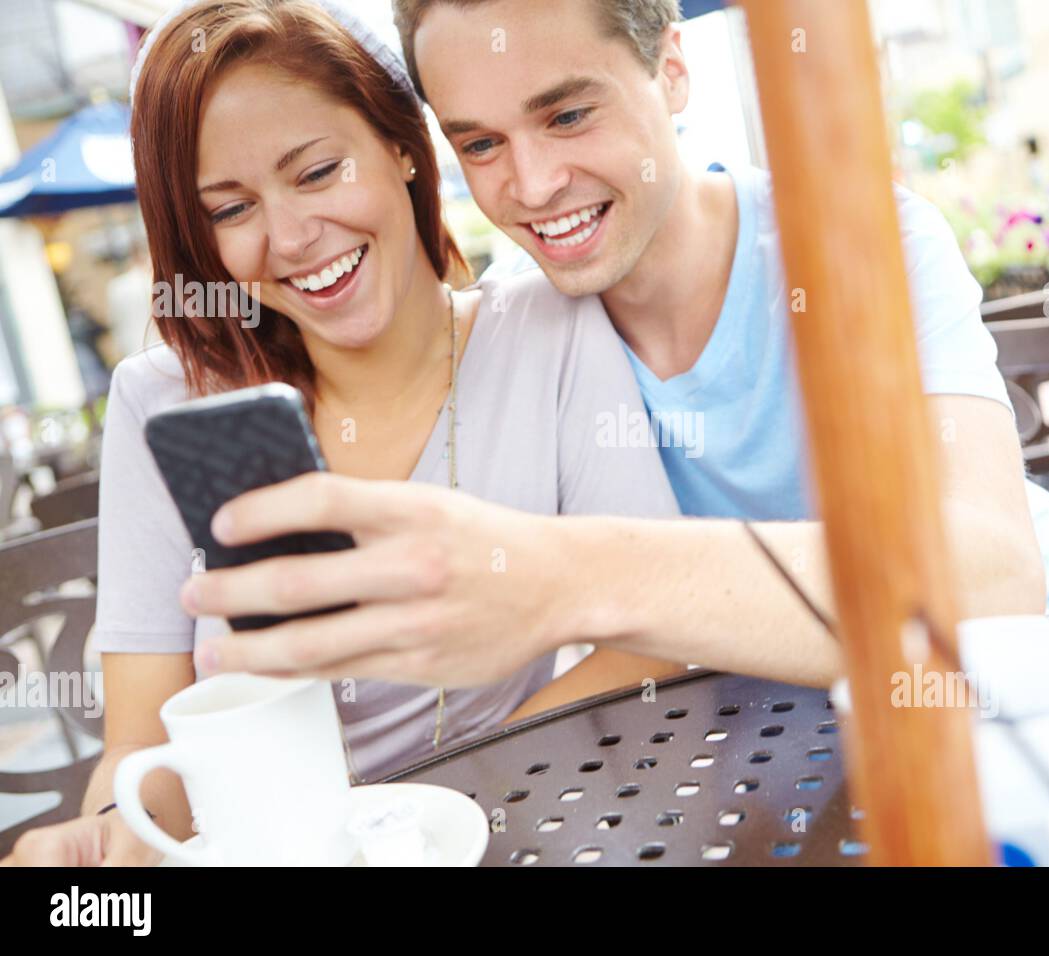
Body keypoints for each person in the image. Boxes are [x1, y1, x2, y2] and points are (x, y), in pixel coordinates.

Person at [165, 0, 1049, 695]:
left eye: (566, 117)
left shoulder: (855, 243)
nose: (532, 184)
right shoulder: (516, 339)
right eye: (480, 143)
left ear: (672, 68)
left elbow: (994, 581)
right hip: (790, 748)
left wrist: (568, 579)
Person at [3, 0, 680, 867]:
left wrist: (425, 817)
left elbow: (645, 640)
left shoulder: (548, 330)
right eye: (230, 209)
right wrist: (111, 844)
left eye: (318, 172)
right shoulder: (163, 402)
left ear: (402, 144)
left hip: (495, 824)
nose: (290, 238)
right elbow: (140, 746)